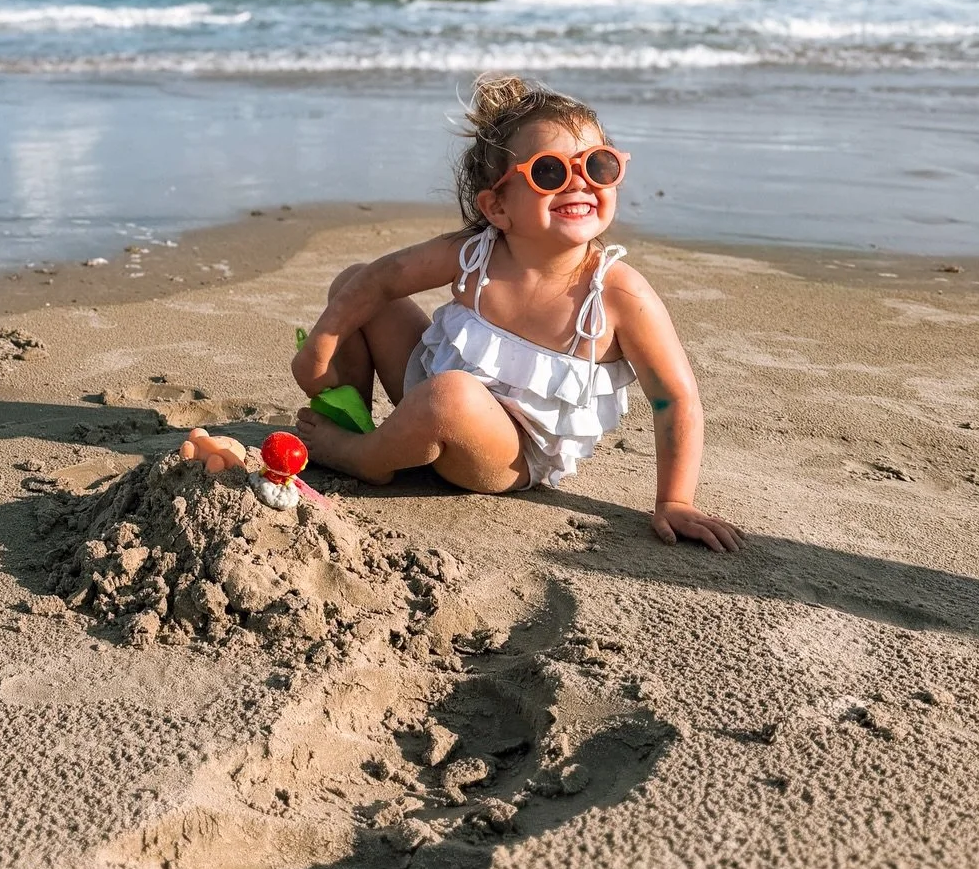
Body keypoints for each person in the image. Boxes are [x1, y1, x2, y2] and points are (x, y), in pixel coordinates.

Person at [292, 75, 742, 553]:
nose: (579, 183)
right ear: (498, 207)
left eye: (598, 165)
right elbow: (382, 277)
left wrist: (675, 500)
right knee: (355, 283)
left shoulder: (616, 294)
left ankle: (365, 457)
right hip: (433, 390)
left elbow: (674, 398)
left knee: (450, 395)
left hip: (506, 455)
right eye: (549, 173)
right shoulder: (476, 253)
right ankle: (358, 421)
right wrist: (323, 342)